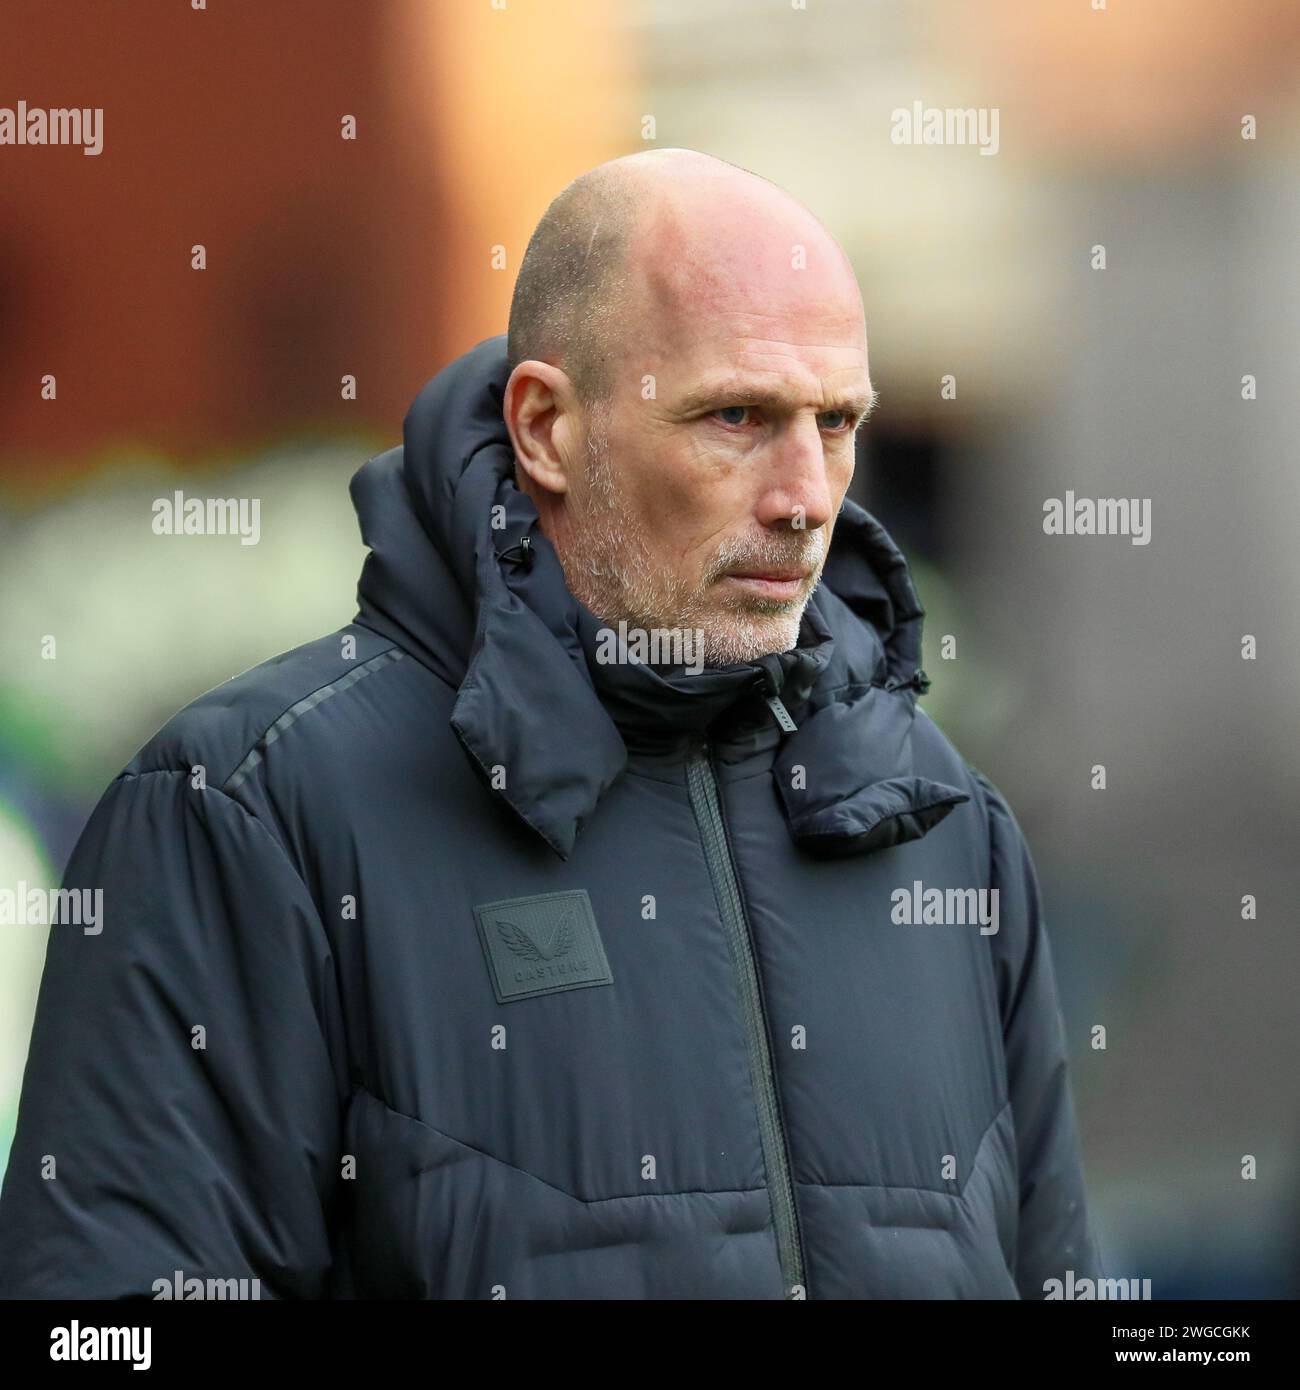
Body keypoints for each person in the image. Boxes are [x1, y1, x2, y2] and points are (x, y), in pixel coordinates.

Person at [0, 148, 1103, 1299]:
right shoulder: (246, 811)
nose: (806, 496)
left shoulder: (946, 828)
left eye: (835, 423)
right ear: (545, 429)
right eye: (737, 415)